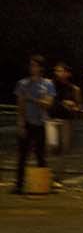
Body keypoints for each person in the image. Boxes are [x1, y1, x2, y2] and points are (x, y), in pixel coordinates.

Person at [13, 54, 56, 193]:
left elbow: (48, 104)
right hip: (27, 121)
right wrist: (20, 124)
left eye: (35, 65)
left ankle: (43, 184)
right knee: (22, 155)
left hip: (41, 122)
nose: (32, 68)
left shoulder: (47, 84)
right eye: (31, 65)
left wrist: (32, 99)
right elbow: (20, 105)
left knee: (41, 154)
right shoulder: (23, 83)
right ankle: (19, 185)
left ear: (41, 68)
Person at [47, 61, 83, 185]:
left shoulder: (74, 89)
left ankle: (57, 177)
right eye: (56, 70)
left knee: (65, 148)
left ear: (68, 73)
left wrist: (75, 107)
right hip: (51, 119)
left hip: (66, 120)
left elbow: (80, 106)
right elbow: (46, 101)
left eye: (61, 70)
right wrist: (61, 103)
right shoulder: (50, 85)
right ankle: (49, 174)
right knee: (52, 146)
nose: (58, 73)